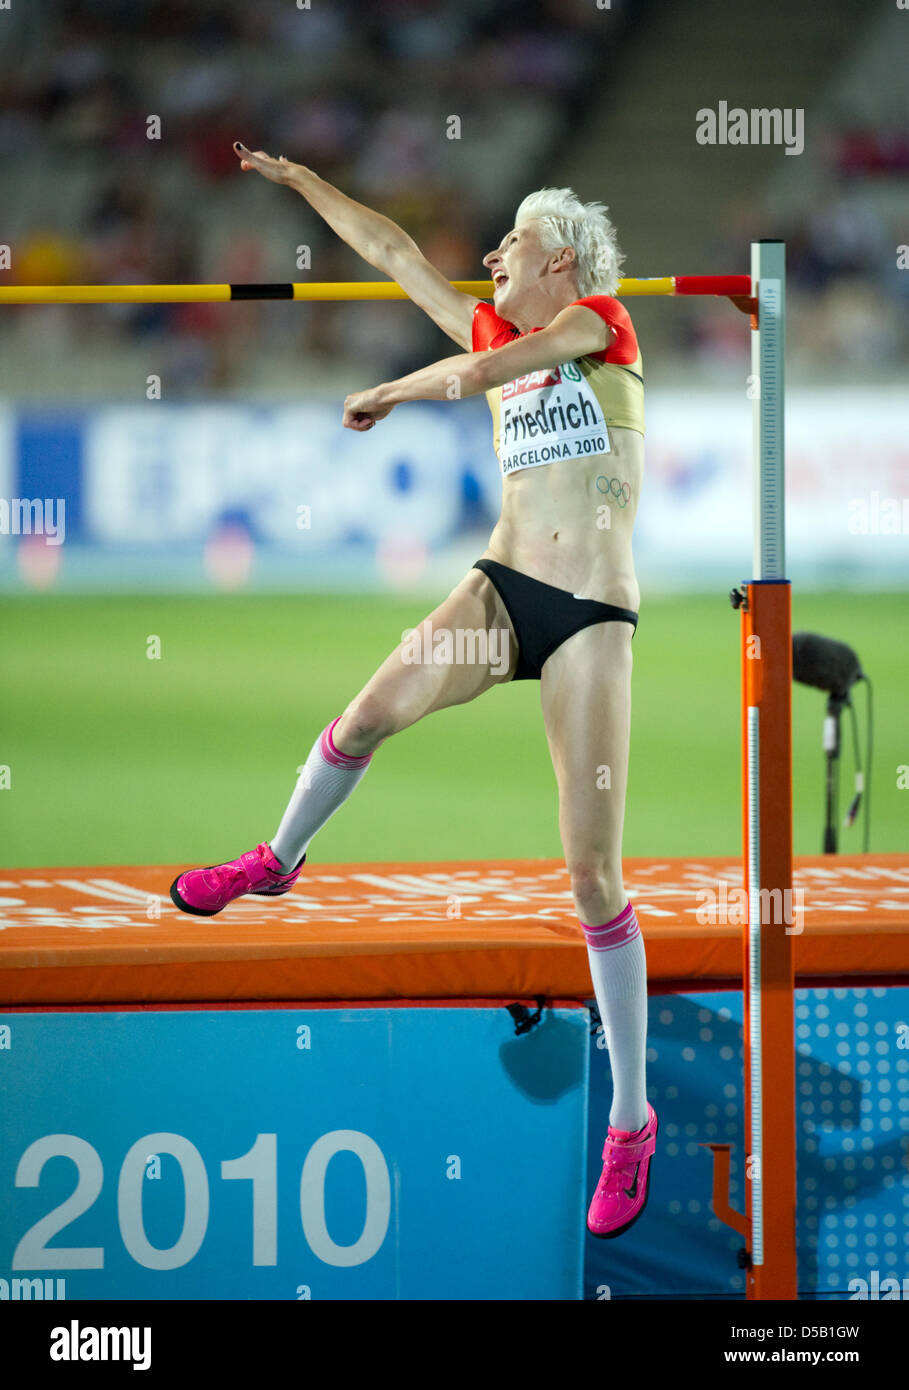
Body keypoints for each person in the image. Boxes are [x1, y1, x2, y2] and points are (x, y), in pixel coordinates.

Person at [170, 142, 657, 1239]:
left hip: (590, 616)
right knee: (364, 713)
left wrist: (390, 389)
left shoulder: (602, 325)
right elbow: (392, 249)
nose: (490, 255)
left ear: (566, 265)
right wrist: (301, 185)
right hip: (505, 587)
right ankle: (277, 860)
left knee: (590, 870)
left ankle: (631, 1117)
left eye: (512, 245)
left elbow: (479, 378)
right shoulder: (496, 324)